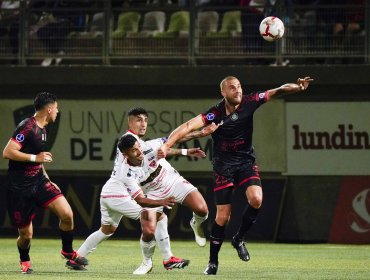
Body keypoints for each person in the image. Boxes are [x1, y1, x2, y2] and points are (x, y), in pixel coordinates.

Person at [157, 76, 313, 275]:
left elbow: (278, 90)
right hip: (223, 167)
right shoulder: (214, 114)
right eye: (232, 88)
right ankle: (213, 262)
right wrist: (167, 145)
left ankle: (239, 238)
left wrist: (298, 88)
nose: (237, 90)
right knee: (223, 217)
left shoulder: (250, 101)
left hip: (246, 162)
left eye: (239, 86)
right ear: (223, 92)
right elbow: (187, 126)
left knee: (256, 199)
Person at [77, 107, 211, 275]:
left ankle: (77, 256)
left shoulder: (143, 144)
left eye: (145, 120)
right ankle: (155, 261)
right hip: (125, 192)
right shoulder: (128, 157)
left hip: (163, 180)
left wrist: (192, 143)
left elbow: (169, 142)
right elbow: (140, 199)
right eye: (139, 120)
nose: (143, 124)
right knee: (154, 222)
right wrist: (161, 202)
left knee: (107, 229)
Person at [2, 92, 88, 274]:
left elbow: (38, 161)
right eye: (56, 108)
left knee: (67, 214)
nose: (58, 111)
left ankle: (67, 251)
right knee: (26, 236)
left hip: (39, 182)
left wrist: (48, 179)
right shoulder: (27, 127)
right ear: (49, 109)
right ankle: (24, 260)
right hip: (19, 188)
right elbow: (8, 152)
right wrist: (35, 157)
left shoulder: (44, 128)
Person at [117, 132, 209, 272]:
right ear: (125, 155)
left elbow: (175, 138)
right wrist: (161, 201)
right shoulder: (125, 173)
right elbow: (141, 200)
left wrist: (188, 149)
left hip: (172, 181)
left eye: (138, 147)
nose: (139, 151)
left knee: (202, 209)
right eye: (134, 150)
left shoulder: (148, 146)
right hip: (151, 194)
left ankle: (196, 223)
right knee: (148, 231)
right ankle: (147, 263)